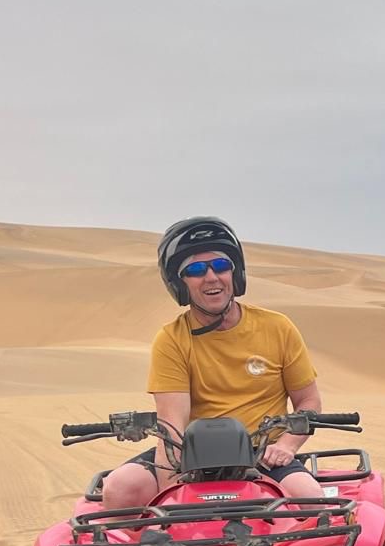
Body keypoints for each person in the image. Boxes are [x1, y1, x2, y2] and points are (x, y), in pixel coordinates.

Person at [99, 217, 326, 508]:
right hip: (193, 455)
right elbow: (171, 427)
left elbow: (308, 401)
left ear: (235, 272)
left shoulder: (277, 327)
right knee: (120, 488)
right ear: (179, 283)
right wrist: (172, 498)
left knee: (310, 498)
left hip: (263, 453)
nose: (211, 277)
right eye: (195, 270)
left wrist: (286, 446)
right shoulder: (172, 339)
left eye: (220, 265)